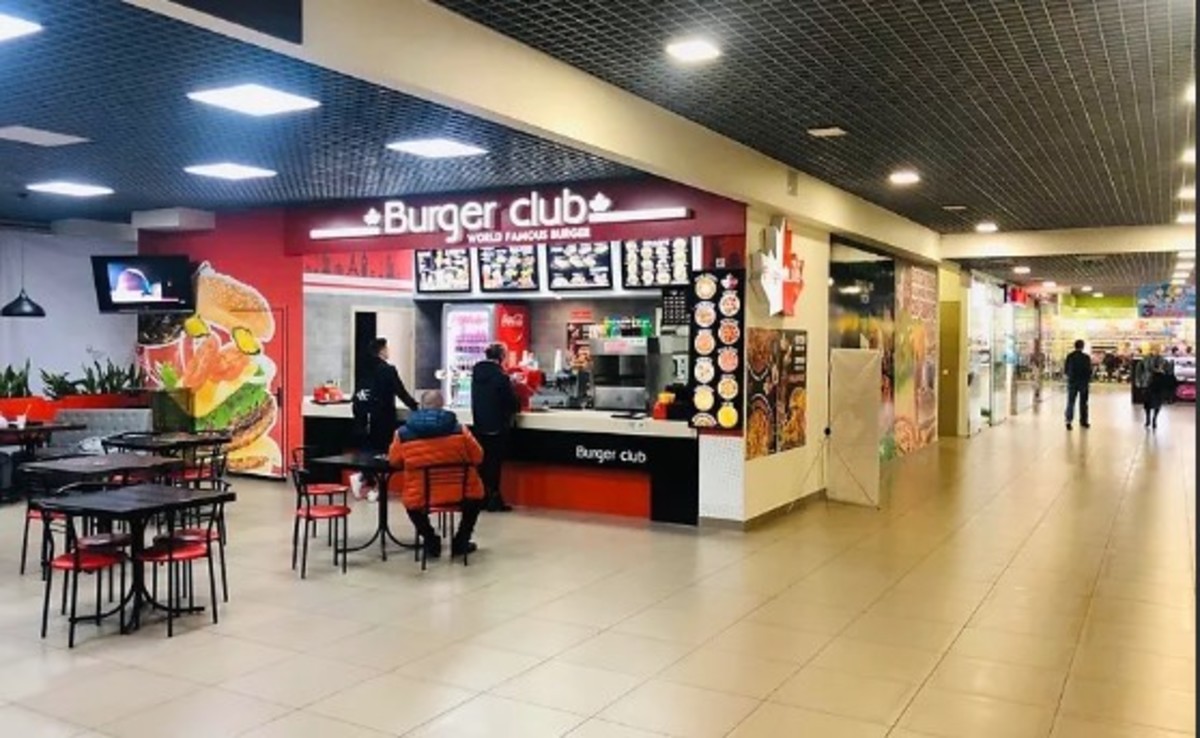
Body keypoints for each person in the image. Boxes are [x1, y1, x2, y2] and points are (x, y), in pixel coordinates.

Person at [388, 391, 484, 558]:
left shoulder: (402, 434)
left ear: (421, 406)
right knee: (476, 500)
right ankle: (461, 541)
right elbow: (478, 456)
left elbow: (394, 461)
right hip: (462, 493)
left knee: (412, 506)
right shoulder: (460, 430)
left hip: (421, 494)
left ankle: (431, 540)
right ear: (442, 406)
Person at [351, 337, 419, 500]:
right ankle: (375, 489)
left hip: (364, 417)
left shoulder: (363, 369)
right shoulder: (387, 370)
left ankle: (363, 477)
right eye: (387, 348)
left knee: (370, 451)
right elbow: (400, 391)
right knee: (384, 454)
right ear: (382, 351)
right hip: (382, 417)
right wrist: (416, 407)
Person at [471, 343, 519, 512]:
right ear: (502, 356)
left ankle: (482, 498)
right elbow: (512, 403)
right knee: (494, 464)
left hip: (480, 426)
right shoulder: (501, 377)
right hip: (497, 426)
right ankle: (494, 499)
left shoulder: (476, 375)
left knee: (483, 463)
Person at [1137, 350, 1171, 429]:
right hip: (1148, 384)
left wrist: (1163, 371)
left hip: (1159, 385)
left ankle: (1154, 419)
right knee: (1147, 403)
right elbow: (1139, 371)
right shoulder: (1144, 360)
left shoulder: (1164, 361)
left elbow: (1169, 371)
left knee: (1158, 404)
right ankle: (1148, 419)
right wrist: (1139, 382)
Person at [1063, 339, 1092, 430]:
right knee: (1083, 403)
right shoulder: (1086, 357)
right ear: (1082, 347)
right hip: (1083, 383)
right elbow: (1089, 371)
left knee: (1071, 402)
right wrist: (1088, 380)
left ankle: (1068, 421)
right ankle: (1083, 421)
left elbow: (1066, 370)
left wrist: (1070, 376)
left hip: (1072, 382)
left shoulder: (1070, 356)